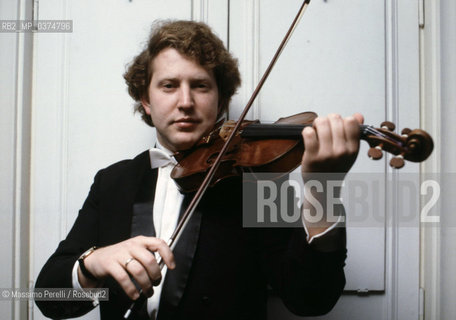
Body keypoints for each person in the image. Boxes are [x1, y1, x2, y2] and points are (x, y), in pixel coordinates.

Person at [35, 20, 363, 320]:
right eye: (169, 85)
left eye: (200, 85)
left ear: (221, 100)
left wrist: (323, 188)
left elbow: (311, 299)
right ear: (145, 100)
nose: (186, 101)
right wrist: (93, 263)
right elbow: (48, 297)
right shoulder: (113, 182)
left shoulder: (261, 183)